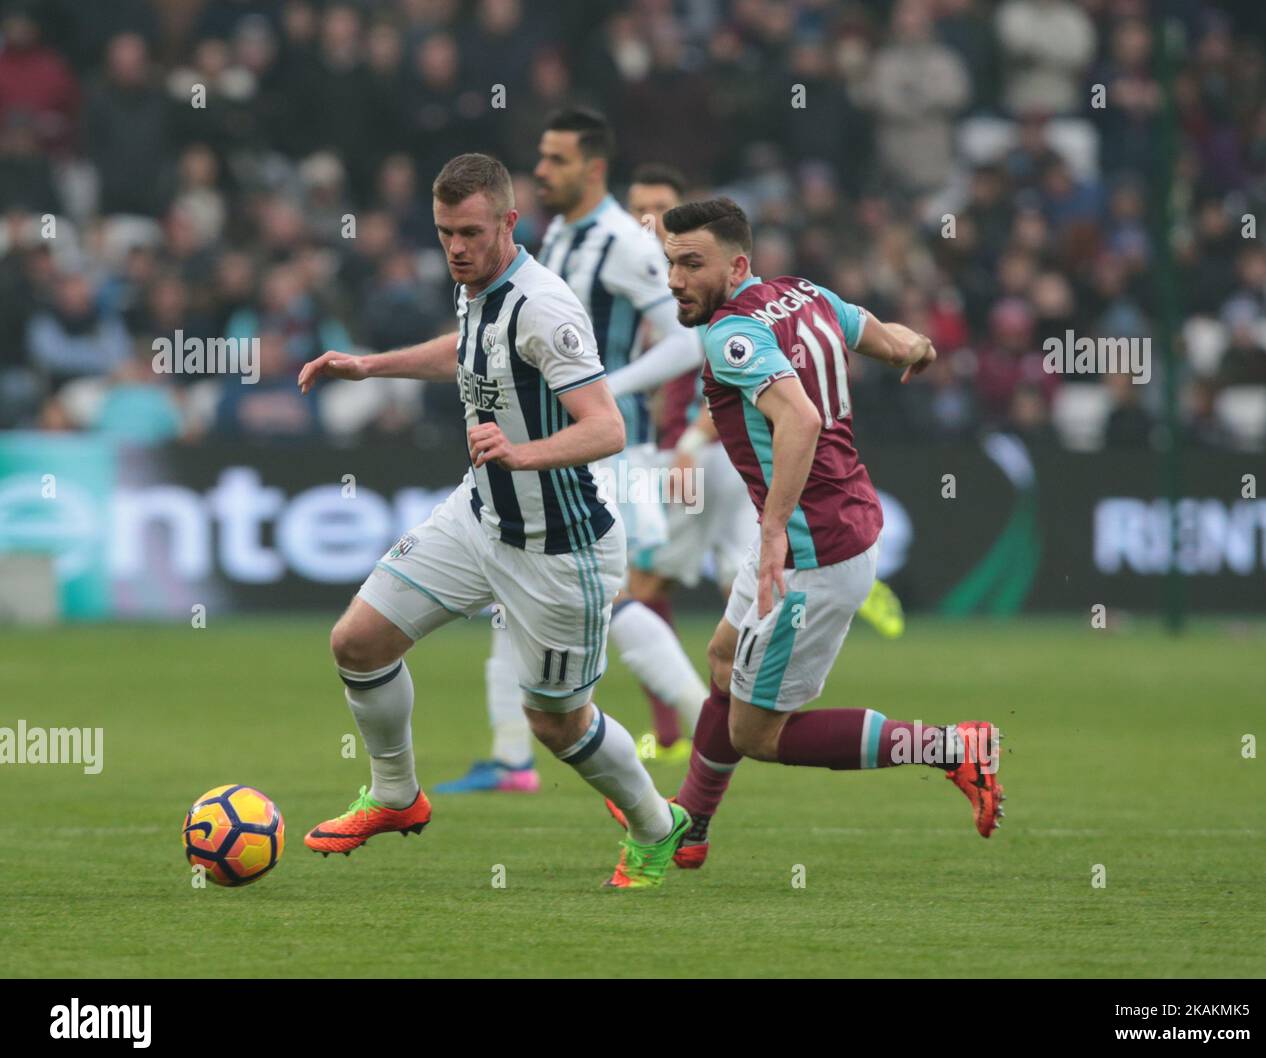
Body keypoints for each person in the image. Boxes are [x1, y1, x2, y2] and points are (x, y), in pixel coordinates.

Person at [297, 153, 690, 889]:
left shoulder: (545, 305)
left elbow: (605, 426)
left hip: (559, 547)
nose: (455, 248)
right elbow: (468, 351)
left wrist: (520, 450)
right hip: (480, 518)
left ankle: (657, 826)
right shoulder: (477, 288)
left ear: (510, 222)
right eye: (445, 232)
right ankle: (395, 796)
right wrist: (369, 366)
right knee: (357, 640)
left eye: (470, 232)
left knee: (556, 724)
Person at [608, 198, 1004, 867]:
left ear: (736, 266)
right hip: (825, 528)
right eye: (671, 263)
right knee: (725, 660)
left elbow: (801, 420)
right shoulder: (801, 293)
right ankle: (691, 823)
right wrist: (911, 344)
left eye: (692, 264)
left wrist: (768, 534)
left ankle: (953, 747)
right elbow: (871, 331)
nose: (676, 279)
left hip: (807, 551)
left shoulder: (734, 336)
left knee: (758, 733)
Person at [435, 109, 708, 794]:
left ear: (592, 168)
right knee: (513, 593)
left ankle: (706, 719)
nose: (541, 169)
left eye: (555, 159)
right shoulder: (556, 235)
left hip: (601, 450)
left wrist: (602, 389)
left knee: (608, 597)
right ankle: (511, 759)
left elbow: (684, 339)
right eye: (540, 156)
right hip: (553, 444)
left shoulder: (623, 240)